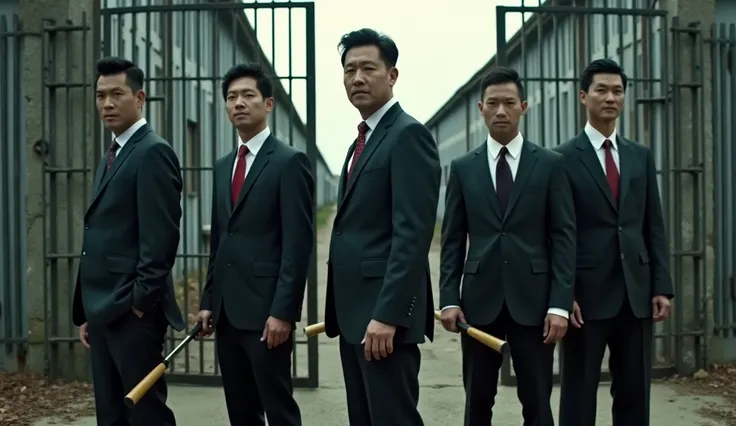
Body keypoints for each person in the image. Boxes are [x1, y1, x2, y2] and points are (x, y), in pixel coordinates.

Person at [439, 66, 576, 426]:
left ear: (524, 107)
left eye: (509, 103)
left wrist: (560, 305)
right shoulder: (463, 168)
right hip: (478, 304)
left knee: (537, 403)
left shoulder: (549, 165)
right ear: (481, 108)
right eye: (494, 103)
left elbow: (564, 237)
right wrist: (450, 298)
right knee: (478, 403)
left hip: (534, 305)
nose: (501, 111)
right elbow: (452, 240)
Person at [322, 28, 441, 426]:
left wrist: (388, 315)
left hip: (382, 321)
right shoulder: (363, 140)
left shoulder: (407, 135)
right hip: (356, 315)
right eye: (349, 69)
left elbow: (412, 235)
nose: (357, 78)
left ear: (391, 75)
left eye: (368, 68)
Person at [555, 58, 674, 426]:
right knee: (578, 392)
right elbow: (560, 233)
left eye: (618, 91)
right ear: (583, 96)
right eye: (602, 90)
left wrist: (661, 286)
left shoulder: (640, 156)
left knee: (635, 392)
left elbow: (652, 225)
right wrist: (564, 295)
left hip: (635, 296)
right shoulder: (560, 158)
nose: (610, 98)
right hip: (585, 300)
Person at [195, 62, 314, 426]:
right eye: (231, 97)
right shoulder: (222, 166)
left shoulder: (289, 162)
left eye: (248, 95)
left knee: (278, 408)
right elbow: (221, 242)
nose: (239, 103)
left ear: (269, 104)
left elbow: (297, 245)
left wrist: (283, 311)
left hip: (266, 313)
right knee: (241, 411)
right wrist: (207, 301)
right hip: (228, 313)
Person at [72, 57, 184, 426]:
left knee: (145, 412)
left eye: (116, 94)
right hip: (104, 309)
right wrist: (89, 310)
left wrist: (139, 303)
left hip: (133, 312)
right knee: (111, 412)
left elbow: (161, 237)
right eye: (100, 95)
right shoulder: (112, 154)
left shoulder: (152, 151)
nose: (106, 103)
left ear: (140, 98)